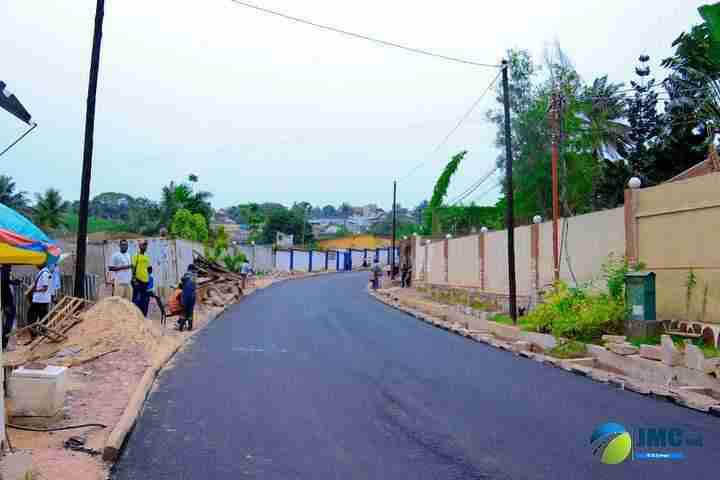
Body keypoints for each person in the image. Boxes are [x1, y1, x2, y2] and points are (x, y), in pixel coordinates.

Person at [28, 262, 52, 340]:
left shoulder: (45, 273)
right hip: (41, 299)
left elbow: (45, 288)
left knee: (32, 316)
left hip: (40, 299)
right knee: (42, 316)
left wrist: (35, 290)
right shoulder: (44, 272)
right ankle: (39, 334)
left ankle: (36, 335)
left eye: (37, 263)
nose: (36, 264)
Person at [1, 266, 20, 350]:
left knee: (8, 321)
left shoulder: (4, 271)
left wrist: (13, 282)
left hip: (5, 301)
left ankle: (4, 344)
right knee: (9, 321)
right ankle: (3, 344)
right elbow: (3, 282)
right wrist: (13, 282)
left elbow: (5, 282)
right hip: (6, 301)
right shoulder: (4, 270)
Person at [132, 240, 152, 316]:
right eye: (143, 245)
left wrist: (149, 270)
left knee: (145, 299)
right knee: (136, 299)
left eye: (146, 245)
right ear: (140, 246)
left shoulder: (147, 257)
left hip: (145, 281)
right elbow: (133, 269)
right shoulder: (136, 256)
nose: (145, 247)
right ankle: (135, 315)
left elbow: (148, 269)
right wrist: (134, 279)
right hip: (138, 280)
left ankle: (143, 315)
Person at [178, 264, 197, 332]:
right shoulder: (195, 276)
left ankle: (181, 326)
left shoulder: (186, 274)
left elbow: (182, 282)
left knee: (184, 310)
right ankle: (190, 327)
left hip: (185, 296)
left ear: (188, 269)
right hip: (193, 296)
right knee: (190, 311)